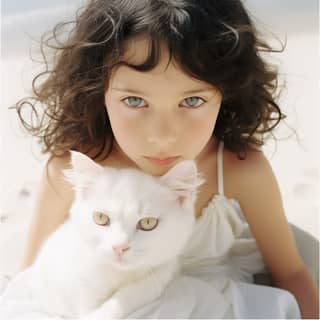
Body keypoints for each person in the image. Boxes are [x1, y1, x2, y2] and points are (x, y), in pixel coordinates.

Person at [13, 0, 318, 318]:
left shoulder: (240, 171)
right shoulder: (71, 170)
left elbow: (292, 273)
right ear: (96, 89)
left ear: (226, 92)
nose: (162, 135)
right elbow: (29, 286)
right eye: (135, 100)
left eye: (191, 100)